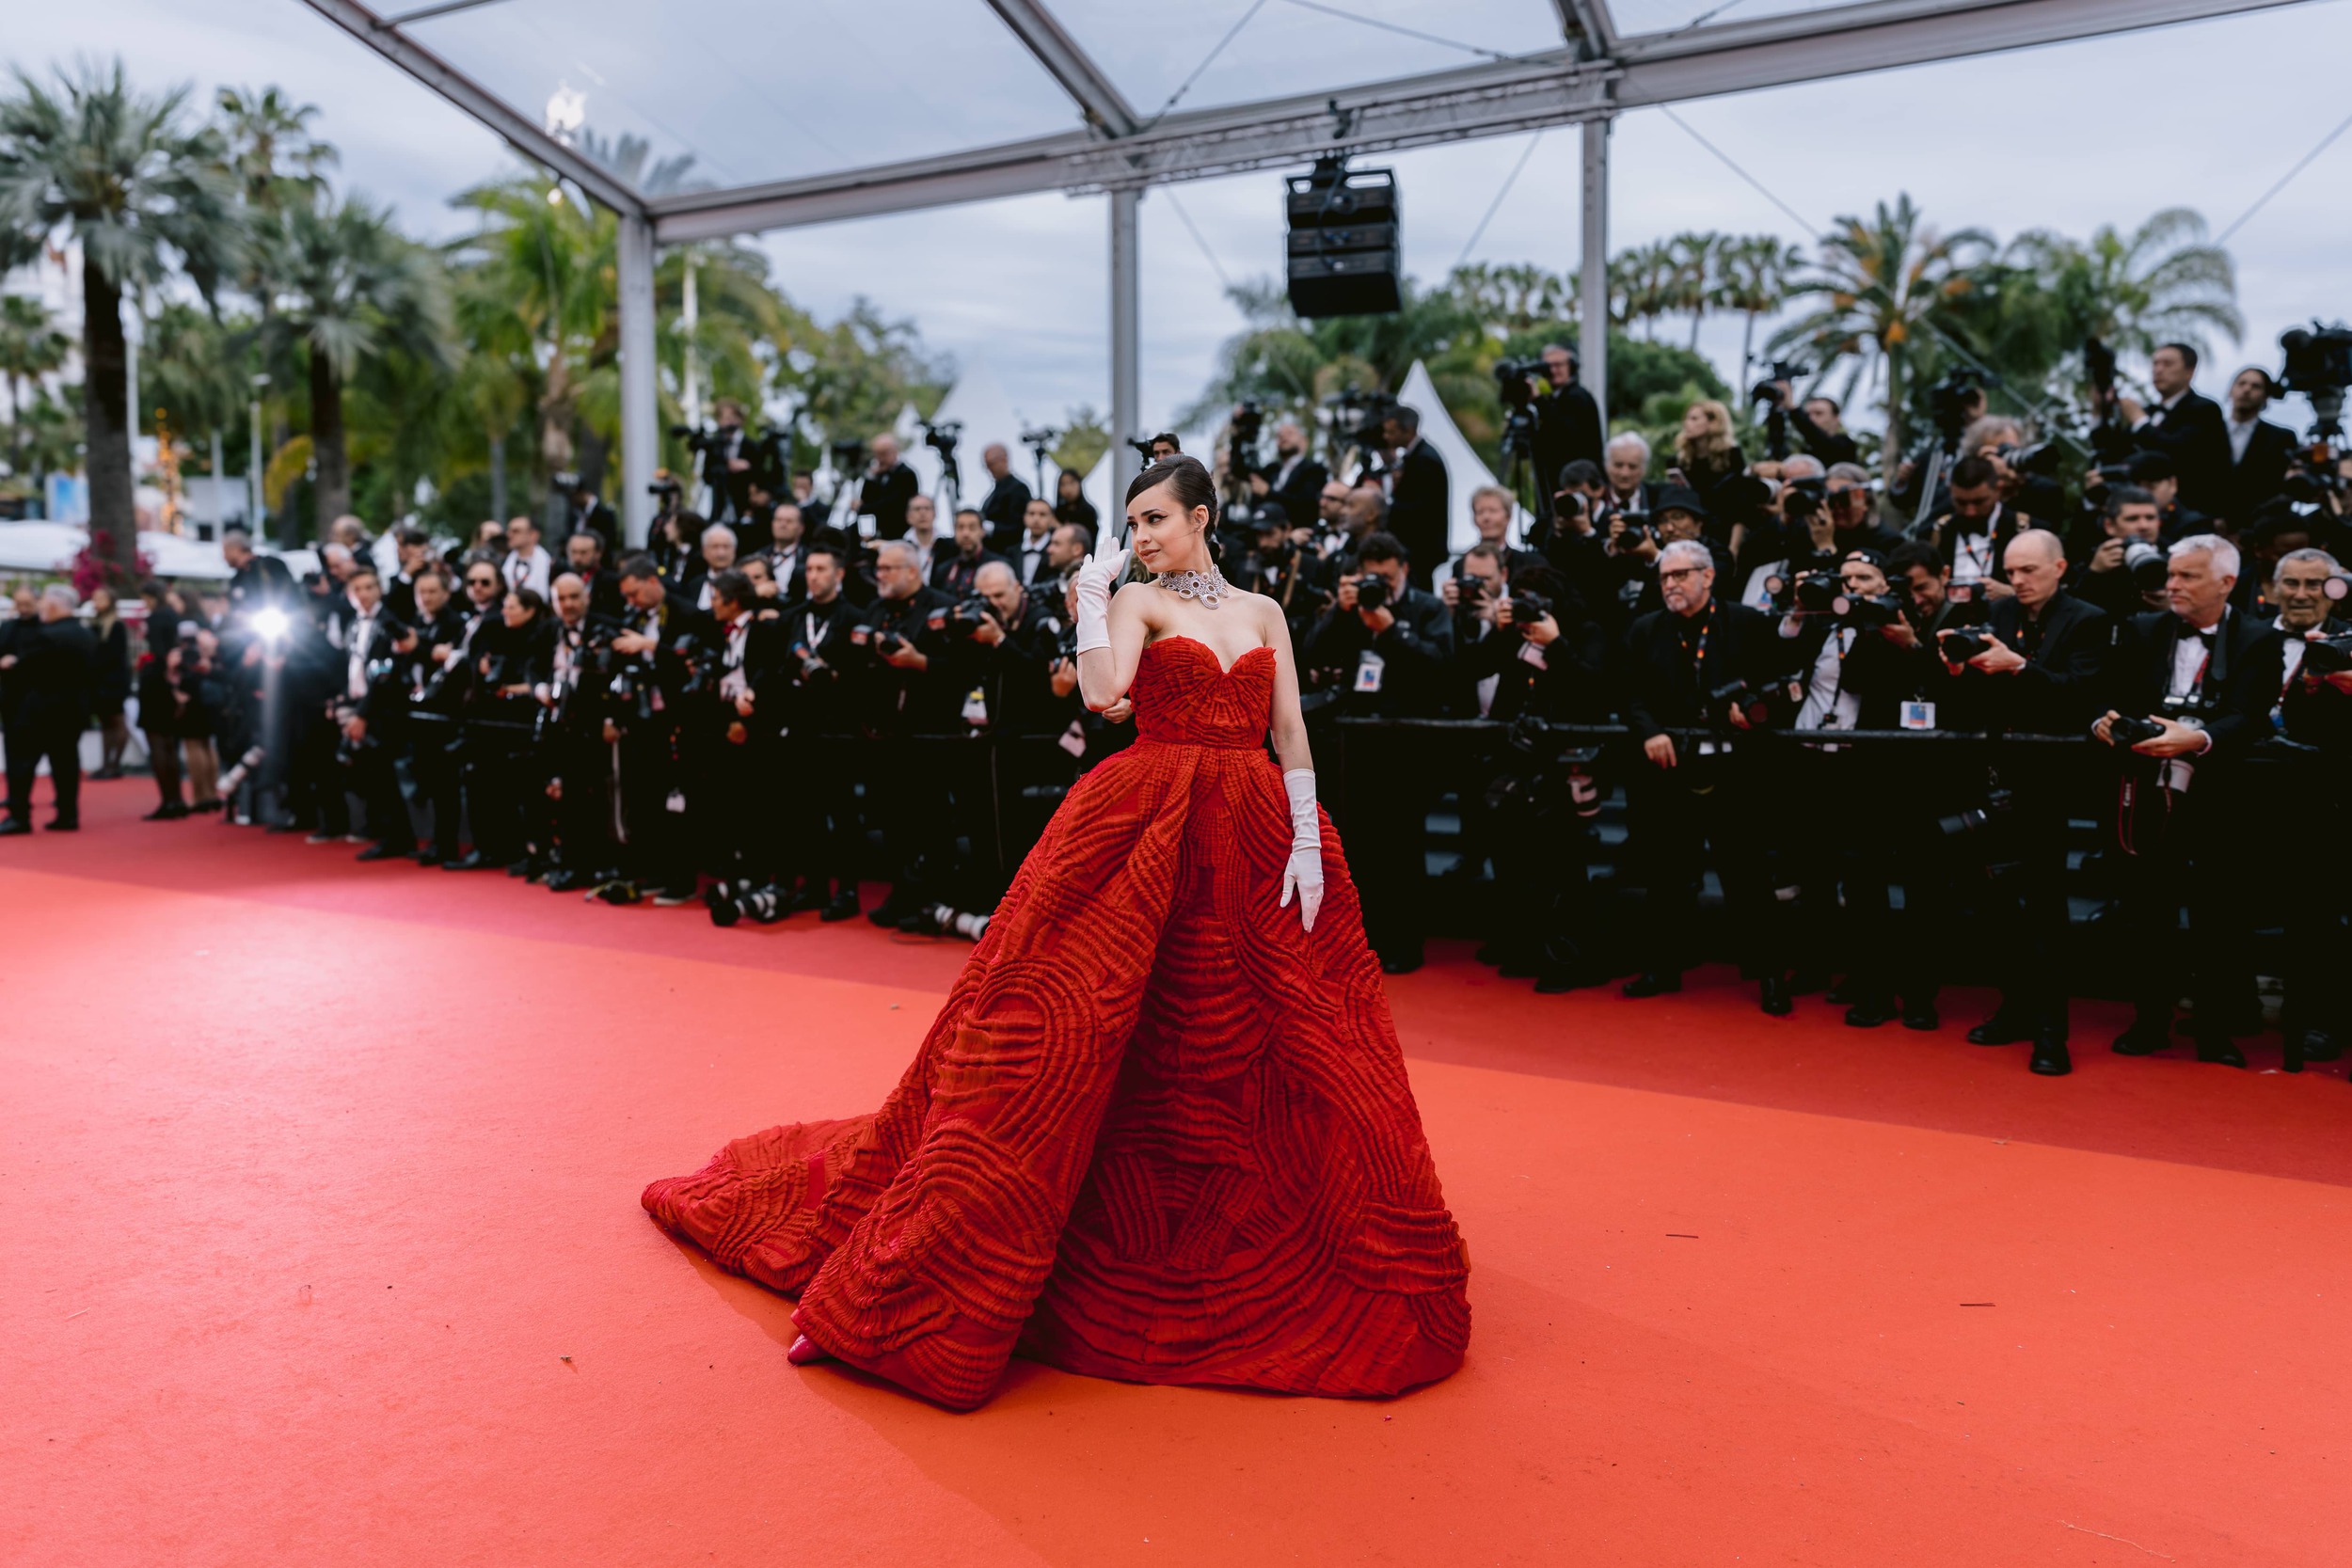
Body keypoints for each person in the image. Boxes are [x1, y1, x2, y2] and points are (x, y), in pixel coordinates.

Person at [642, 452, 1470, 1412]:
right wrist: (1090, 597)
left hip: (1252, 836)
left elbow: (1289, 730)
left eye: (1155, 518)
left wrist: (1307, 835)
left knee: (1282, 1041)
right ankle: (908, 1273)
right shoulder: (1138, 600)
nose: (1142, 535)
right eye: (1135, 521)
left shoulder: (1264, 612)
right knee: (1059, 1036)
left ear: (1201, 516)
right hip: (1145, 825)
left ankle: (1282, 1233)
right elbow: (1102, 697)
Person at [2094, 534, 2283, 1066]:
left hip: (2221, 798)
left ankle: (2215, 1030)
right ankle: (2149, 1022)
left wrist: (2197, 739)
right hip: (2148, 794)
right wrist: (2106, 722)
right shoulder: (2143, 628)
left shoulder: (2258, 638)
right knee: (2147, 912)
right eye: (2171, 574)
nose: (2172, 585)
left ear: (2227, 583)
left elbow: (2251, 715)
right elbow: (2112, 697)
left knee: (2218, 918)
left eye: (2187, 576)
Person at [1935, 530, 2110, 1075]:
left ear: (2059, 567)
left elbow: (2082, 698)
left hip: (2047, 782)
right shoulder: (1997, 613)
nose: (2018, 581)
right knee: (1993, 903)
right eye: (2011, 571)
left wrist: (2019, 668)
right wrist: (1956, 671)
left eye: (2029, 570)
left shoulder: (2089, 620)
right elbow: (1969, 702)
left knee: (2044, 910)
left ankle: (2052, 1031)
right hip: (1991, 775)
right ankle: (2014, 1008)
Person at [1619, 539, 1793, 1013]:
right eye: (1664, 577)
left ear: (1708, 576)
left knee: (1747, 876)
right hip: (1670, 766)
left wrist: (1752, 710)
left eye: (1680, 575)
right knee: (1667, 874)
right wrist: (1650, 731)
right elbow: (1630, 693)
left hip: (1735, 769)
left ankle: (1769, 975)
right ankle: (1662, 968)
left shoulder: (1747, 623)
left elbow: (1777, 684)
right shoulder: (1646, 628)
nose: (1670, 585)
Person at [0, 585, 96, 834]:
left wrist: (13, 664)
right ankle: (68, 814)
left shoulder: (46, 636)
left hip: (38, 713)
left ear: (53, 606)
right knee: (66, 763)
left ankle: (19, 816)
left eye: (41, 603)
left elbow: (27, 671)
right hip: (73, 711)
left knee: (22, 764)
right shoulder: (86, 634)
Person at [2122, 342, 2232, 520]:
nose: (2158, 370)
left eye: (2167, 364)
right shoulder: (2148, 411)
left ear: (2189, 372)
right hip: (2139, 510)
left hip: (2190, 512)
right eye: (2155, 364)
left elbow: (2178, 452)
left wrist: (2140, 422)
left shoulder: (2204, 409)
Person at [1379, 404, 1450, 588]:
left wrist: (1385, 506)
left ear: (1408, 431)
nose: (1386, 437)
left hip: (1420, 548)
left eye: (1391, 432)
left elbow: (1422, 507)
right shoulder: (1417, 456)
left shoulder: (1424, 460)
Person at [2219, 367, 2297, 531]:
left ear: (2266, 396)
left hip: (2259, 528)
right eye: (2242, 383)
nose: (2247, 390)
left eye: (2256, 386)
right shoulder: (2207, 431)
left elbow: (2279, 489)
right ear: (2231, 390)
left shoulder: (2281, 438)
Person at [1530, 342, 1605, 495]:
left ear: (1571, 367)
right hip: (1555, 484)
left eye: (1559, 365)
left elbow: (1564, 434)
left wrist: (1538, 401)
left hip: (1577, 486)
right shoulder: (1555, 399)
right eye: (1548, 366)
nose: (1553, 370)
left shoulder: (1577, 397)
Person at [87, 585, 133, 779]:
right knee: (106, 723)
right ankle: (106, 763)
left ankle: (114, 764)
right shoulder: (95, 623)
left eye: (100, 599)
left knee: (117, 721)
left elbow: (114, 656)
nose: (96, 602)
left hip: (113, 682)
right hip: (100, 682)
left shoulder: (116, 625)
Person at [1255, 420, 1329, 528]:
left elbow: (1306, 505)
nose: (1283, 437)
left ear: (1304, 441)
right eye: (1279, 435)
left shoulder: (1315, 470)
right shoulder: (1270, 470)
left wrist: (1268, 493)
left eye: (1289, 433)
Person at [856, 433, 919, 540]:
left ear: (895, 451)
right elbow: (865, 498)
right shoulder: (878, 474)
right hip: (877, 532)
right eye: (877, 455)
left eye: (884, 454)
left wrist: (862, 508)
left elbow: (892, 505)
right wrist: (871, 477)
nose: (880, 459)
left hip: (899, 532)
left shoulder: (906, 474)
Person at [977, 442, 1032, 553]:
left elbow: (1016, 527)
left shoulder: (1018, 488)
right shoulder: (994, 492)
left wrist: (989, 527)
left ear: (1004, 460)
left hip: (1007, 552)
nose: (989, 469)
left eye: (991, 464)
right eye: (986, 465)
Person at [1008, 498, 1059, 588]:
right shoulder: (1011, 552)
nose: (1036, 519)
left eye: (1042, 514)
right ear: (1024, 517)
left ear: (1051, 519)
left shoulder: (1058, 551)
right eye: (1031, 514)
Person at [501, 515, 553, 598]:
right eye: (509, 530)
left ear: (533, 535)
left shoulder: (550, 565)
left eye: (516, 531)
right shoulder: (503, 564)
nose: (509, 535)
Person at [1051, 466, 1098, 534]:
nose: (1067, 488)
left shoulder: (1088, 512)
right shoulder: (1057, 512)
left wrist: (1059, 527)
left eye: (1071, 483)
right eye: (1063, 484)